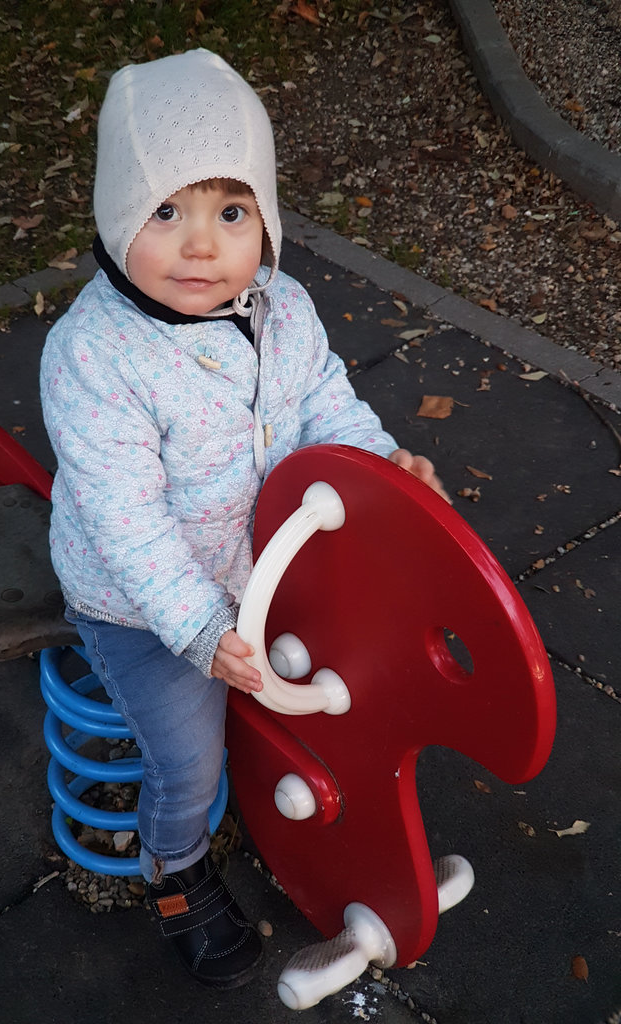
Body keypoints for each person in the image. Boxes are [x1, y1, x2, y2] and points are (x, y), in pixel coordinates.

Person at [40, 48, 447, 989]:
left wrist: (377, 458)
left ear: (264, 218)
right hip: (141, 603)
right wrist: (196, 628)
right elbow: (126, 522)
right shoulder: (96, 357)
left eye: (231, 212)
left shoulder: (279, 307)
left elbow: (322, 401)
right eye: (166, 211)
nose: (201, 246)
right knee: (188, 754)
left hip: (255, 562)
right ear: (113, 217)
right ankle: (173, 868)